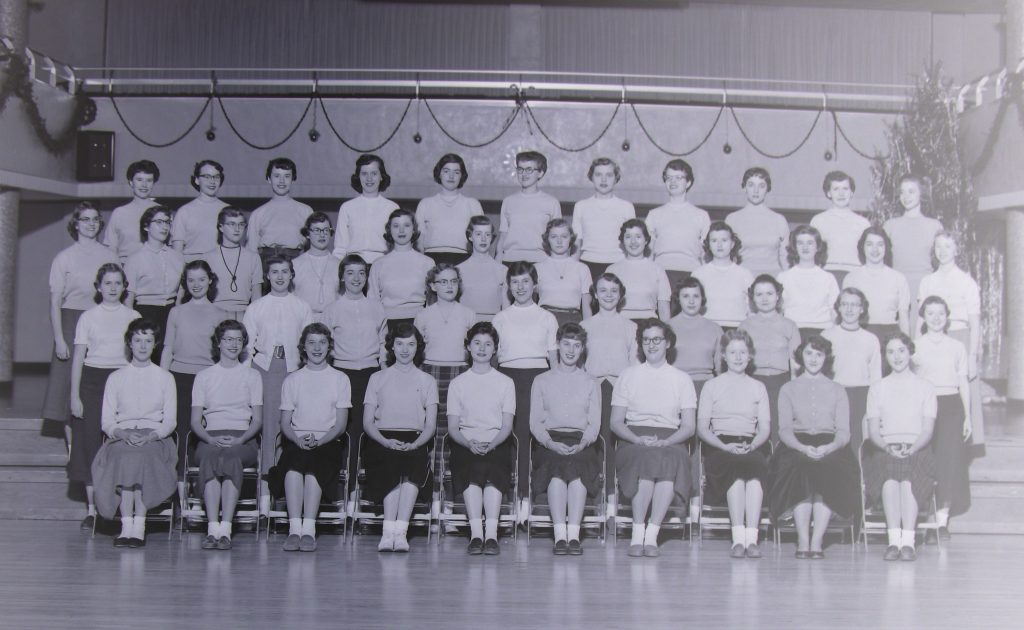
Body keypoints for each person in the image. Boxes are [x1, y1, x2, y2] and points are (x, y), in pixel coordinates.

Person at [611, 318, 696, 558]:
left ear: (667, 342)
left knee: (669, 460)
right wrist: (637, 439)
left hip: (671, 438)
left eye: (657, 339)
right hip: (633, 437)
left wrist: (667, 441)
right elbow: (616, 422)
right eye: (646, 340)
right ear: (640, 344)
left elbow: (689, 426)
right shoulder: (628, 376)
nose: (651, 345)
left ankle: (652, 535)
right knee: (647, 462)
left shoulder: (681, 379)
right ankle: (638, 534)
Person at [769, 336, 859, 559]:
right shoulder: (788, 389)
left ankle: (817, 539)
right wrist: (801, 447)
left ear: (826, 358)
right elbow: (785, 429)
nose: (814, 359)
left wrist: (829, 448)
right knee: (801, 466)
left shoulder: (837, 389)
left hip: (831, 443)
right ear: (801, 356)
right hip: (796, 444)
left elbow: (844, 432)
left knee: (828, 468)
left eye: (819, 354)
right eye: (809, 353)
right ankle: (803, 538)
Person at [91, 318, 177, 548]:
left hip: (155, 437)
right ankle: (125, 525)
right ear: (129, 343)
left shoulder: (165, 378)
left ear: (155, 344)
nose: (142, 345)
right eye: (137, 340)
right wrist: (122, 433)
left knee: (142, 456)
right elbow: (107, 420)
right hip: (122, 435)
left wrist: (152, 435)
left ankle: (139, 525)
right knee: (125, 455)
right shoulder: (116, 378)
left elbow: (169, 421)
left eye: (148, 340)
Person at [69, 263, 141, 529]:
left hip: (123, 381)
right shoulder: (88, 317)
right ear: (98, 287)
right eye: (107, 283)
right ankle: (92, 510)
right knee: (89, 443)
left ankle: (119, 508)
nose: (112, 288)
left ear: (124, 287)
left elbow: (139, 357)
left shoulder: (133, 315)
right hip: (92, 380)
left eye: (117, 283)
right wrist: (75, 396)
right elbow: (78, 358)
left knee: (118, 443)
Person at [242, 256, 314, 521]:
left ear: (292, 275)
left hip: (294, 371)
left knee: (292, 430)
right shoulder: (257, 307)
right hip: (264, 371)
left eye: (285, 271)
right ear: (268, 276)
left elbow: (308, 342)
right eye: (275, 272)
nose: (280, 276)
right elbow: (248, 346)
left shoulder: (302, 306)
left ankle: (289, 498)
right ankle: (264, 498)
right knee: (269, 429)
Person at [269, 323, 351, 552]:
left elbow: (341, 424)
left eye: (322, 342)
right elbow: (285, 423)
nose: (317, 348)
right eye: (311, 342)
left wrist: (320, 439)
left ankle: (309, 529)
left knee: (314, 462)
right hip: (297, 440)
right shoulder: (292, 380)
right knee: (294, 464)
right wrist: (298, 439)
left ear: (329, 346)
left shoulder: (340, 379)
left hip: (328, 442)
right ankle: (295, 529)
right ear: (303, 347)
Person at [43, 202, 118, 438]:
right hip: (70, 320)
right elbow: (55, 302)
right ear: (76, 224)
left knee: (97, 383)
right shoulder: (64, 258)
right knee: (67, 386)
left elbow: (118, 291)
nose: (91, 224)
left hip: (101, 319)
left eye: (95, 219)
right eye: (85, 219)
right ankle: (73, 449)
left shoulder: (109, 255)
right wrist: (59, 339)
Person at [362, 323, 439, 552]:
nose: (405, 349)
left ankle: (401, 532)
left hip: (416, 438)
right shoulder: (377, 378)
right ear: (391, 347)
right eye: (400, 344)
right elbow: (367, 422)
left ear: (418, 348)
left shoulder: (427, 381)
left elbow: (431, 424)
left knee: (413, 461)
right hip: (381, 438)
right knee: (390, 461)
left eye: (411, 344)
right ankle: (388, 533)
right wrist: (386, 441)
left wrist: (416, 443)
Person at [492, 261, 559, 519]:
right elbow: (495, 359)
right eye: (515, 282)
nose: (520, 287)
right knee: (510, 437)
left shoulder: (547, 318)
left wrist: (553, 388)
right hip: (508, 378)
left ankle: (531, 496)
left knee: (535, 436)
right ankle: (513, 497)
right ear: (509, 286)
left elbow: (553, 358)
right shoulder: (500, 318)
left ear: (535, 285)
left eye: (525, 282)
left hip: (538, 378)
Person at [698, 329, 772, 559]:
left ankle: (752, 539)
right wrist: (724, 446)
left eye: (743, 352)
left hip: (750, 444)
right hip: (720, 445)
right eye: (732, 352)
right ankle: (738, 539)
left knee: (755, 468)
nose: (738, 357)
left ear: (750, 356)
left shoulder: (758, 387)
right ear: (723, 355)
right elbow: (702, 428)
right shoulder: (712, 386)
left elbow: (765, 429)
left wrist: (752, 445)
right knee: (736, 471)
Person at [189, 320, 263, 550]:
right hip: (210, 436)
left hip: (243, 438)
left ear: (244, 344)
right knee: (211, 458)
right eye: (228, 339)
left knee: (230, 458)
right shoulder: (204, 376)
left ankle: (226, 530)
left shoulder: (252, 376)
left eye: (238, 339)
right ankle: (213, 529)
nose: (233, 344)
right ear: (218, 343)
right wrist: (210, 439)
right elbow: (195, 421)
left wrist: (240, 439)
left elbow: (258, 419)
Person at [530, 323, 602, 555]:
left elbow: (594, 423)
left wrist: (584, 443)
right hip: (550, 440)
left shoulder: (592, 382)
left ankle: (574, 535)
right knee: (556, 465)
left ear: (583, 349)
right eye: (566, 344)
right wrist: (550, 443)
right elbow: (535, 422)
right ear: (558, 345)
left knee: (578, 464)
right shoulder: (542, 380)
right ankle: (560, 536)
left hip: (581, 441)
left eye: (577, 345)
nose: (571, 350)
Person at [864, 332, 937, 562]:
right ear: (885, 356)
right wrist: (887, 447)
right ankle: (893, 541)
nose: (896, 356)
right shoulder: (877, 388)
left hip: (918, 448)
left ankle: (908, 542)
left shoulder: (926, 387)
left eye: (901, 351)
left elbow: (927, 430)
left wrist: (913, 448)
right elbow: (874, 431)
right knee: (889, 477)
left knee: (908, 478)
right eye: (891, 352)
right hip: (885, 448)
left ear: (910, 352)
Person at [446, 322, 516, 556]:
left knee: (493, 466)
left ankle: (492, 535)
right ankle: (476, 535)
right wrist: (470, 443)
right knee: (470, 468)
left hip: (496, 442)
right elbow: (453, 427)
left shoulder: (506, 383)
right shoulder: (458, 384)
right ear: (468, 347)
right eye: (477, 343)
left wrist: (493, 443)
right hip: (466, 443)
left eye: (488, 344)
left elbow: (507, 425)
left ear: (495, 349)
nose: (482, 348)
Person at [325, 254, 386, 508]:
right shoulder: (331, 310)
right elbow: (325, 348)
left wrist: (384, 377)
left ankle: (367, 495)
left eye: (361, 273)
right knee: (343, 434)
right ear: (342, 276)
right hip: (342, 374)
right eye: (350, 273)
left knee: (369, 432)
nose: (356, 278)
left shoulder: (377, 308)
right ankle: (343, 495)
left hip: (371, 374)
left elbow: (383, 346)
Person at [160, 260, 225, 500]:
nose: (196, 284)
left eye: (201, 279)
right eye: (190, 280)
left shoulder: (220, 314)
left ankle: (203, 495)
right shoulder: (176, 312)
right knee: (180, 437)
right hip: (179, 380)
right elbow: (168, 348)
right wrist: (162, 382)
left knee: (205, 438)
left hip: (208, 381)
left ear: (210, 280)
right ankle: (177, 496)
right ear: (185, 284)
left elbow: (223, 356)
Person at [917, 231, 984, 450]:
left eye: (948, 246)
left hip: (959, 337)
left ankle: (965, 440)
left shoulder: (967, 282)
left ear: (957, 250)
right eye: (938, 247)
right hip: (931, 338)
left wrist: (972, 356)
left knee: (964, 391)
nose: (942, 251)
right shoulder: (927, 281)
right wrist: (916, 349)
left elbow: (974, 323)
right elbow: (920, 320)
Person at [913, 296, 971, 538]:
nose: (936, 318)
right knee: (924, 461)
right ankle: (921, 517)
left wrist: (968, 417)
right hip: (924, 405)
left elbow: (963, 382)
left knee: (948, 462)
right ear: (923, 317)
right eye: (930, 313)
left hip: (951, 406)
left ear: (946, 317)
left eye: (940, 313)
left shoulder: (957, 347)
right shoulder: (915, 345)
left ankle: (941, 522)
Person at [580, 273, 638, 518]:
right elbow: (580, 364)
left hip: (618, 389)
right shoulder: (585, 326)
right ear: (594, 294)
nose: (608, 295)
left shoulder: (631, 326)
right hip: (592, 388)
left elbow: (634, 363)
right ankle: (594, 499)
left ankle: (614, 498)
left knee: (615, 443)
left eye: (614, 290)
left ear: (621, 295)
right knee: (593, 443)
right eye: (603, 290)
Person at [738, 275, 799, 444]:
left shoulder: (789, 325)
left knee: (780, 430)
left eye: (769, 293)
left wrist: (794, 390)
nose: (764, 299)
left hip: (781, 384)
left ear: (778, 296)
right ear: (752, 298)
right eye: (759, 294)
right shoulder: (745, 325)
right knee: (754, 430)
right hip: (753, 382)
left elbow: (796, 364)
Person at [821, 288, 881, 450]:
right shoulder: (826, 335)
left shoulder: (871, 339)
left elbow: (876, 378)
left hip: (862, 396)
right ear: (838, 307)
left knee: (858, 443)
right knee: (834, 443)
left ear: (862, 309)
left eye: (854, 305)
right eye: (845, 304)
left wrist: (874, 406)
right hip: (834, 393)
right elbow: (820, 373)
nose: (849, 309)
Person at [124, 205, 185, 364]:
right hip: (145, 313)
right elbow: (128, 299)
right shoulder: (134, 259)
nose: (164, 226)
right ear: (146, 226)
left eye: (167, 222)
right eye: (159, 222)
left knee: (168, 362)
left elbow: (181, 295)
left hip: (170, 314)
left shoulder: (177, 257)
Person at [367, 208, 435, 334]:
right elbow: (373, 303)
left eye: (407, 225)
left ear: (414, 229)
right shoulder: (378, 264)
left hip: (419, 323)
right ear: (389, 230)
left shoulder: (427, 263)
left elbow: (432, 302)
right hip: (387, 324)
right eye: (396, 226)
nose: (402, 230)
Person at [645, 158, 710, 288]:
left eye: (678, 177)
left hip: (692, 275)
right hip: (660, 274)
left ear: (688, 182)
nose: (673, 181)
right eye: (669, 177)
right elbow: (648, 253)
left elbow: (705, 255)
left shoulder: (701, 216)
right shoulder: (654, 215)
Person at [883, 174, 944, 304]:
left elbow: (941, 261)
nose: (906, 197)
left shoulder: (934, 226)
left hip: (925, 288)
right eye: (902, 192)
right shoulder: (890, 226)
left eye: (911, 192)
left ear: (921, 194)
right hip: (897, 288)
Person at [571, 157, 635, 281]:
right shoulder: (581, 206)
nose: (604, 179)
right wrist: (573, 271)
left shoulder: (626, 207)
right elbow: (576, 244)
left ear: (616, 178)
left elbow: (631, 244)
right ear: (591, 177)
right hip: (588, 265)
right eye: (598, 174)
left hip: (618, 264)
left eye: (609, 175)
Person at [843, 226, 912, 340]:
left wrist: (907, 346)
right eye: (869, 244)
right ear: (862, 247)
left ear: (886, 248)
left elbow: (903, 317)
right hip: (859, 334)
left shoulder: (898, 278)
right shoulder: (851, 278)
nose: (875, 249)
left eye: (880, 244)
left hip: (890, 336)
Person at [416, 153, 483, 266]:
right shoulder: (425, 204)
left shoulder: (472, 204)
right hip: (432, 260)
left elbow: (481, 239)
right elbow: (419, 242)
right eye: (446, 171)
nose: (451, 176)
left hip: (464, 260)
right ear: (439, 174)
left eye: (456, 172)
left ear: (462, 176)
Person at [496, 150, 561, 264]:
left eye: (529, 170)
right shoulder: (508, 201)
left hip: (541, 262)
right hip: (510, 261)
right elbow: (503, 236)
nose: (524, 174)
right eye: (520, 169)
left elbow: (557, 238)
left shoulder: (552, 203)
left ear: (540, 173)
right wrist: (497, 263)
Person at [332, 154, 399, 264]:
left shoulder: (392, 207)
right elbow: (340, 248)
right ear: (358, 176)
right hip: (354, 266)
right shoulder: (347, 207)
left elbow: (397, 245)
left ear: (381, 176)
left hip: (383, 264)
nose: (369, 178)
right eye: (364, 174)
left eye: (374, 173)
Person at [777, 225, 840, 341]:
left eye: (810, 243)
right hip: (793, 332)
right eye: (800, 243)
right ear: (795, 247)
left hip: (822, 332)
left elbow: (835, 312)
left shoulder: (828, 278)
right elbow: (778, 312)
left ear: (818, 247)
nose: (805, 247)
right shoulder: (783, 277)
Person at [247, 157, 313, 266]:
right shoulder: (258, 213)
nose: (281, 181)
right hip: (266, 266)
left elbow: (312, 248)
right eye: (276, 176)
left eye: (287, 176)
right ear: (269, 179)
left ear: (293, 179)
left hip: (297, 264)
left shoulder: (306, 211)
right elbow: (251, 251)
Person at [201, 207, 263, 321]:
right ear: (221, 227)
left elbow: (256, 296)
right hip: (215, 311)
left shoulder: (253, 257)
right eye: (231, 224)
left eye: (241, 224)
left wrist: (255, 320)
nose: (237, 229)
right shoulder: (208, 257)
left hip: (245, 313)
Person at [725, 167, 789, 276]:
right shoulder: (732, 220)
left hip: (772, 281)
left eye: (761, 186)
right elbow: (726, 257)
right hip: (742, 279)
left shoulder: (779, 220)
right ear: (744, 187)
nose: (756, 190)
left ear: (768, 189)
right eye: (751, 185)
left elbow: (785, 258)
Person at [809, 171, 870, 285]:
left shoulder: (863, 223)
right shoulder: (818, 221)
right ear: (828, 193)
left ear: (851, 192)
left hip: (855, 275)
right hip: (827, 276)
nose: (841, 194)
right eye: (836, 189)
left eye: (845, 189)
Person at [691, 221, 754, 330]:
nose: (719, 245)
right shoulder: (698, 274)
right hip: (707, 328)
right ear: (709, 244)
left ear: (732, 244)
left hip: (737, 330)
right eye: (714, 241)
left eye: (724, 240)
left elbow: (752, 310)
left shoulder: (745, 274)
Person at [606, 219, 671, 321]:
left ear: (646, 240)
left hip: (649, 327)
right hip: (620, 324)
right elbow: (606, 307)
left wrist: (666, 334)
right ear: (622, 240)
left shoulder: (658, 270)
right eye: (628, 237)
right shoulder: (612, 270)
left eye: (638, 237)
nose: (633, 242)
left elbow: (664, 308)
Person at [668, 277, 723, 396]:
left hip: (706, 388)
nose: (691, 301)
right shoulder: (667, 327)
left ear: (702, 299)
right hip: (675, 386)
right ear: (678, 299)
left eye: (696, 296)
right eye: (686, 296)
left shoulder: (715, 328)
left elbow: (720, 368)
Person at [535, 218, 593, 325]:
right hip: (543, 321)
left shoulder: (582, 269)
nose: (559, 241)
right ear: (547, 239)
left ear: (571, 238)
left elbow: (587, 309)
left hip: (573, 322)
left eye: (564, 236)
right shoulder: (537, 268)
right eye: (554, 237)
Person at [171, 160, 229, 261]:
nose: (212, 181)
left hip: (222, 266)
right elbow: (176, 252)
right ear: (197, 180)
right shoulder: (184, 211)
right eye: (207, 177)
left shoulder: (228, 210)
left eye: (216, 177)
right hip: (192, 269)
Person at [104, 160, 160, 262]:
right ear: (131, 182)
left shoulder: (162, 212)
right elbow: (110, 249)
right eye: (139, 180)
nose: (144, 185)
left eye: (149, 180)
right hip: (125, 269)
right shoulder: (119, 213)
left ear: (153, 183)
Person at [457, 215, 508, 322]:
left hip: (494, 327)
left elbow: (506, 309)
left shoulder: (502, 270)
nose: (483, 239)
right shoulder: (459, 270)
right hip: (467, 326)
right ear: (470, 236)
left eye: (487, 234)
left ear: (492, 238)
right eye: (478, 234)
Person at [292, 212, 341, 322]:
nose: (322, 234)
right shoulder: (295, 264)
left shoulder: (339, 265)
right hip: (303, 321)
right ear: (307, 234)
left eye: (325, 230)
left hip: (332, 321)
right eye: (317, 230)